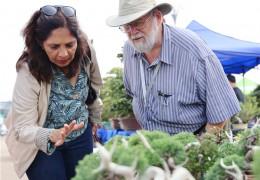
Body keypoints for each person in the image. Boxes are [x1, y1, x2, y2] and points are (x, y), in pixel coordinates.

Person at [106, 0, 241, 135]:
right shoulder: (129, 50)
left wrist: (198, 149)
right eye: (127, 26)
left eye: (139, 23)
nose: (133, 32)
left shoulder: (192, 49)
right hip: (151, 141)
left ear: (158, 17)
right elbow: (133, 93)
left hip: (194, 141)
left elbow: (220, 114)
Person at [5, 5, 103, 180]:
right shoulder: (29, 69)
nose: (64, 53)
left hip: (80, 136)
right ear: (41, 44)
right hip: (42, 144)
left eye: (70, 44)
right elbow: (22, 128)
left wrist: (94, 119)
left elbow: (94, 86)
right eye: (54, 46)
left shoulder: (87, 51)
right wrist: (51, 134)